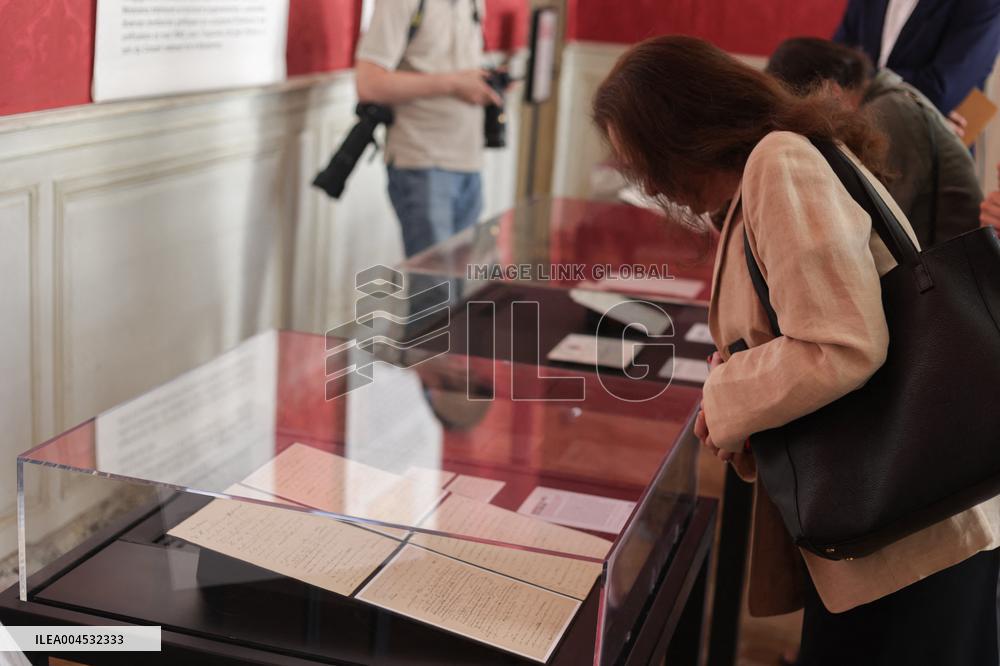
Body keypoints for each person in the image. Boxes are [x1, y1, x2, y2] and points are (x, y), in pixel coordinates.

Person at [592, 35, 1000, 665]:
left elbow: (842, 345)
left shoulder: (779, 164)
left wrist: (727, 396)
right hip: (894, 524)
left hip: (907, 538)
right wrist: (749, 402)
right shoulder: (776, 163)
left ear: (678, 132)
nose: (652, 187)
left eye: (643, 162)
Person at [767, 37, 983, 248]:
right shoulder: (886, 103)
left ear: (832, 91)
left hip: (952, 275)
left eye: (804, 114)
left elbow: (878, 227)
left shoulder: (889, 112)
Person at [355, 0, 501, 258]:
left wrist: (487, 83)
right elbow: (369, 84)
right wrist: (454, 84)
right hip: (422, 161)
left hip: (470, 161)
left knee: (461, 289)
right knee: (434, 293)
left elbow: (453, 69)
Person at [834, 0, 1000, 127]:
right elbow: (835, 65)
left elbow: (938, 92)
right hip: (853, 143)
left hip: (923, 160)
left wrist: (856, 90)